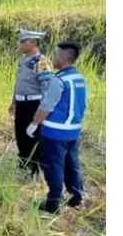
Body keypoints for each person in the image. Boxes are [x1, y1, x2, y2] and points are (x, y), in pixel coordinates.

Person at [26, 42, 87, 214]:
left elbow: (46, 106)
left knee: (54, 166)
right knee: (72, 163)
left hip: (55, 132)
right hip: (73, 131)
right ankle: (76, 196)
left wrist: (34, 124)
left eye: (56, 55)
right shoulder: (80, 79)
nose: (53, 58)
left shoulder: (58, 80)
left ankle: (53, 202)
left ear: (63, 58)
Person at [9, 28, 54, 178]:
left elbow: (47, 88)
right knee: (21, 135)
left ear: (33, 43)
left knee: (34, 136)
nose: (20, 44)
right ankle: (23, 164)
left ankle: (35, 169)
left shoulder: (41, 62)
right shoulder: (22, 60)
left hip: (34, 104)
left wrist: (42, 109)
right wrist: (13, 101)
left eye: (23, 41)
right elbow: (18, 83)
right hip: (21, 104)